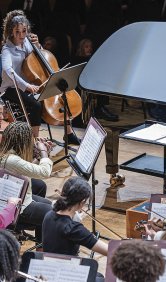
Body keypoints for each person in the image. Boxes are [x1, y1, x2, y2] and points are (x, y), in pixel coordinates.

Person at [0, 10, 80, 144]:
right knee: (36, 105)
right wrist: (27, 86)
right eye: (17, 32)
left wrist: (38, 46)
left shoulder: (27, 42)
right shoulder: (7, 50)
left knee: (60, 91)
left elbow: (39, 58)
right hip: (11, 88)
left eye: (24, 31)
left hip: (31, 84)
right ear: (11, 32)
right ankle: (35, 141)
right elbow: (8, 70)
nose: (21, 35)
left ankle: (69, 133)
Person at [0, 121, 52, 242]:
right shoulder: (11, 160)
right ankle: (41, 245)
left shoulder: (7, 154)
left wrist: (38, 157)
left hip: (13, 194)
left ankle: (40, 243)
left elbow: (25, 169)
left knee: (44, 195)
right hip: (14, 204)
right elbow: (44, 172)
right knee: (49, 213)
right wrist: (43, 152)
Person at [42, 176, 108, 256]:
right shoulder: (73, 229)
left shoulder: (49, 215)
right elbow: (109, 251)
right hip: (66, 266)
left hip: (47, 263)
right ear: (82, 202)